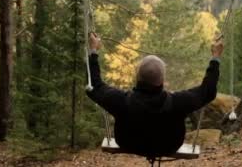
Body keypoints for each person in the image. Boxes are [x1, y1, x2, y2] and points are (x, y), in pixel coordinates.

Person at [86, 32, 223, 158]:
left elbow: (94, 87)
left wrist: (93, 51)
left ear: (137, 77)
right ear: (162, 80)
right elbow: (207, 91)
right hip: (168, 145)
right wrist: (215, 57)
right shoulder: (178, 102)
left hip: (130, 143)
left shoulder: (121, 101)